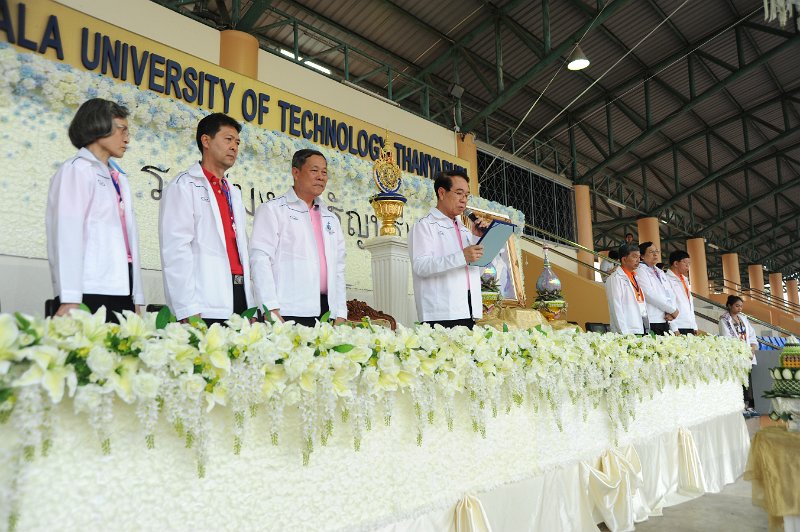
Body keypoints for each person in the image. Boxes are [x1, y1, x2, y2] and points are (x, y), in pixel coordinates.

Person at [46, 98, 145, 323]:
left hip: (122, 286)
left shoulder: (118, 177)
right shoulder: (76, 170)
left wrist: (136, 296)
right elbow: (66, 234)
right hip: (89, 288)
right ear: (98, 126)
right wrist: (70, 296)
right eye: (122, 130)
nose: (127, 139)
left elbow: (131, 243)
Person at [159, 113, 253, 325]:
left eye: (237, 142)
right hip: (204, 300)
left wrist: (251, 302)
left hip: (240, 295)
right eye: (228, 139)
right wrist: (186, 307)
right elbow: (176, 250)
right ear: (206, 140)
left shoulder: (233, 192)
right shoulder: (183, 185)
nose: (234, 147)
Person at [250, 149, 347, 326]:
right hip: (287, 310)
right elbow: (260, 260)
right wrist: (269, 308)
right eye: (314, 170)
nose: (321, 177)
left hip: (327, 311)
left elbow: (338, 268)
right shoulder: (273, 210)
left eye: (324, 172)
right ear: (296, 172)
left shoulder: (331, 218)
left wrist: (340, 312)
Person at [409, 169, 485, 329]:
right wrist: (462, 257)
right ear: (442, 193)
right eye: (459, 193)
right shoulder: (424, 225)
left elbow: (476, 272)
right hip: (441, 313)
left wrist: (479, 238)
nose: (464, 200)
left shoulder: (465, 229)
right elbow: (421, 267)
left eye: (466, 195)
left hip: (469, 310)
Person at [718, 295, 758, 416]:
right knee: (738, 381)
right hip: (736, 356)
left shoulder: (743, 318)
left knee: (748, 381)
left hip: (747, 355)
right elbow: (727, 338)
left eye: (741, 306)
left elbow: (751, 334)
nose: (740, 308)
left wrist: (752, 349)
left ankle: (749, 405)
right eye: (737, 306)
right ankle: (740, 406)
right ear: (729, 305)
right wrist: (743, 352)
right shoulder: (724, 319)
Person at [605, 244, 648, 335]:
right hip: (627, 330)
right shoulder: (615, 278)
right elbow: (616, 308)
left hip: (640, 325)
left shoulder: (635, 277)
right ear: (624, 259)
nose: (638, 260)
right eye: (634, 257)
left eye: (639, 257)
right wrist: (623, 333)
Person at [637, 242, 678, 335]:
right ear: (642, 256)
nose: (655, 254)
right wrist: (671, 310)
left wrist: (671, 311)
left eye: (656, 251)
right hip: (651, 319)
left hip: (665, 319)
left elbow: (670, 293)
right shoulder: (640, 270)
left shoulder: (660, 271)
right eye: (651, 252)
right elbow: (648, 294)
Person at [665, 250, 699, 335]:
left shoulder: (685, 279)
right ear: (676, 264)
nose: (688, 266)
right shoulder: (666, 279)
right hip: (678, 326)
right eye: (685, 263)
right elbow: (668, 304)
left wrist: (694, 325)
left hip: (689, 325)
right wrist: (674, 327)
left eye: (689, 264)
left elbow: (690, 304)